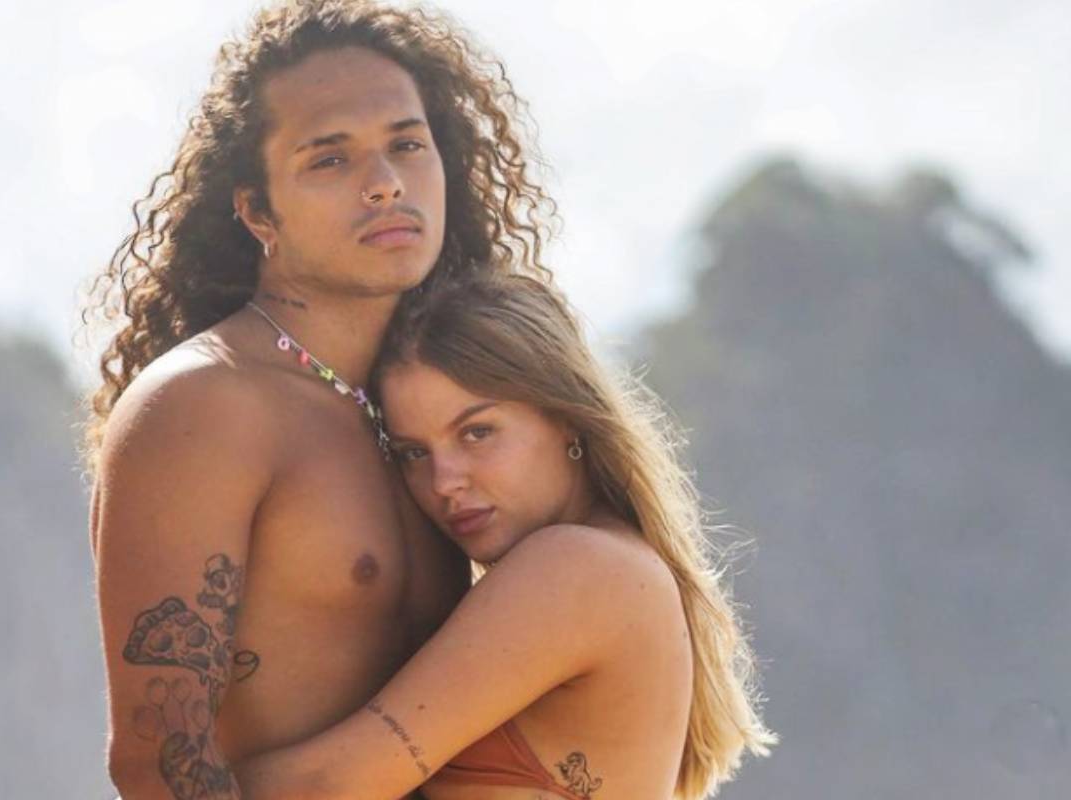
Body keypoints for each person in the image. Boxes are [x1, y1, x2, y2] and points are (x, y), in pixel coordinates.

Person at [81, 1, 557, 797]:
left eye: (407, 144)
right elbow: (158, 758)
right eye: (330, 159)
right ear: (257, 210)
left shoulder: (438, 409)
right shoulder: (204, 407)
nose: (385, 184)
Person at [235, 273, 777, 799]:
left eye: (477, 432)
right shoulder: (614, 567)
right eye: (414, 453)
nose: (444, 482)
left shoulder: (580, 566)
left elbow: (328, 786)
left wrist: (177, 762)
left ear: (566, 417)